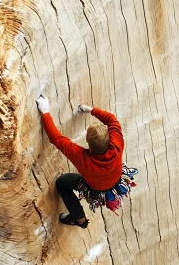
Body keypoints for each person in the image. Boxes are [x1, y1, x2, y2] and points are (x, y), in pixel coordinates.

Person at [36, 94, 124, 228]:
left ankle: (80, 220)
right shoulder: (117, 143)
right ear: (109, 136)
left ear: (87, 142)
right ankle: (80, 219)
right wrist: (90, 110)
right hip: (116, 179)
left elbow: (57, 139)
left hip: (95, 189)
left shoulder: (82, 158)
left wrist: (45, 111)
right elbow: (111, 119)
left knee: (61, 183)